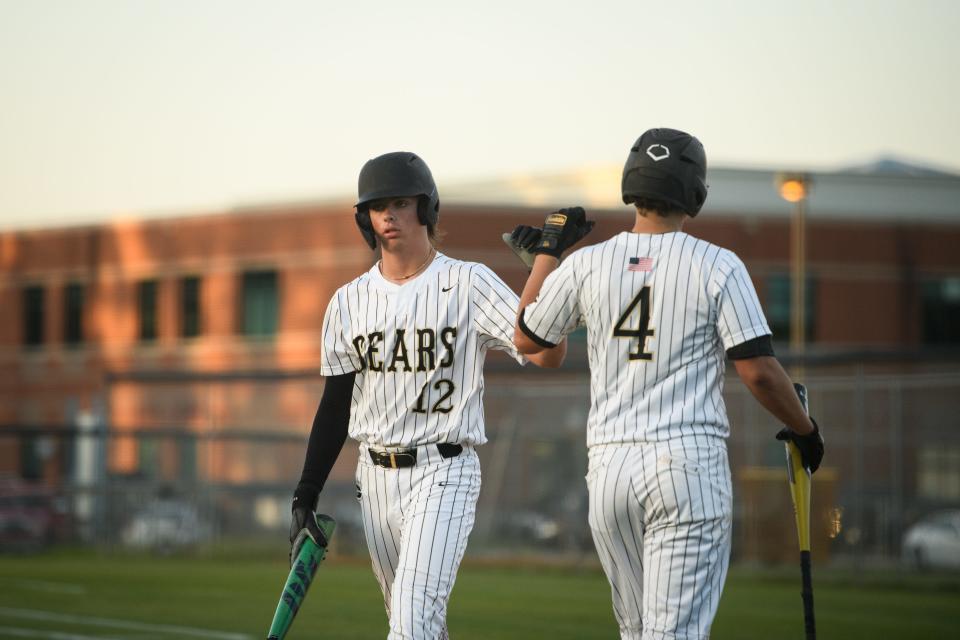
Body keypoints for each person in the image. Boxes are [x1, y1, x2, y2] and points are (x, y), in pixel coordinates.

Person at [509, 128, 825, 639]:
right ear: (694, 191)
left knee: (637, 632)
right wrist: (805, 428)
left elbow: (528, 340)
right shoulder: (718, 264)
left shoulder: (586, 263)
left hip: (609, 472)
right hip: (686, 466)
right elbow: (759, 371)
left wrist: (547, 254)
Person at [288, 151, 569, 639]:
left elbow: (546, 353)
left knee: (411, 622)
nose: (390, 216)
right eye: (378, 207)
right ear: (365, 218)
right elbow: (335, 406)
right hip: (374, 479)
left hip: (445, 469)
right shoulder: (348, 301)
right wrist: (305, 493)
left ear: (427, 207)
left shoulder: (468, 281)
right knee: (416, 625)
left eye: (401, 202)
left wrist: (543, 270)